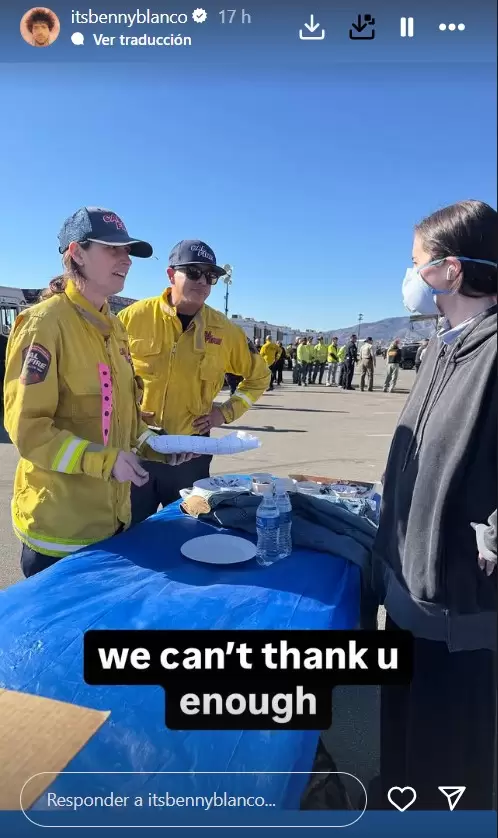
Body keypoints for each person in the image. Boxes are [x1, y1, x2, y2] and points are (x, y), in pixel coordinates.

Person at [371, 199, 497, 810]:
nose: (410, 274)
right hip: (406, 585)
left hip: (459, 602)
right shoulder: (443, 346)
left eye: (416, 262)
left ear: (450, 270)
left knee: (449, 758)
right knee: (399, 732)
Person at [2, 207, 187, 578]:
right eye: (112, 249)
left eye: (128, 252)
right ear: (77, 253)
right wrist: (104, 461)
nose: (126, 260)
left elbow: (120, 418)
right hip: (60, 534)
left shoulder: (115, 329)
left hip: (113, 523)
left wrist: (158, 447)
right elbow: (28, 430)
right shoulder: (43, 325)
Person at [119, 240, 270, 522]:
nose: (203, 282)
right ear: (170, 274)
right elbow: (107, 377)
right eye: (193, 272)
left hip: (191, 456)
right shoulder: (132, 319)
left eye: (210, 276)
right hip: (136, 449)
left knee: (189, 530)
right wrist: (125, 412)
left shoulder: (225, 331)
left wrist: (224, 412)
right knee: (129, 532)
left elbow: (259, 377)